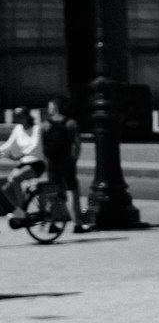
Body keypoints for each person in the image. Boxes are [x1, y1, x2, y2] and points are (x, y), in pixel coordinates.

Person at [41, 97, 86, 232]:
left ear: (54, 108)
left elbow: (43, 146)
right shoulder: (71, 123)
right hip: (67, 161)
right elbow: (77, 144)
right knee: (72, 191)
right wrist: (74, 159)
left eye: (49, 107)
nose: (48, 109)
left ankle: (50, 223)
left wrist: (47, 160)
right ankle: (76, 223)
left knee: (52, 192)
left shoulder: (45, 125)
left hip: (52, 163)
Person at [1, 106, 45, 223]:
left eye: (19, 116)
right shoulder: (18, 129)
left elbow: (34, 145)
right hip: (24, 162)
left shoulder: (36, 128)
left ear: (26, 116)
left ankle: (22, 212)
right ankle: (20, 211)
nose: (17, 119)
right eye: (15, 116)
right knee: (6, 188)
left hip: (36, 162)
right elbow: (9, 145)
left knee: (15, 178)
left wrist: (20, 155)